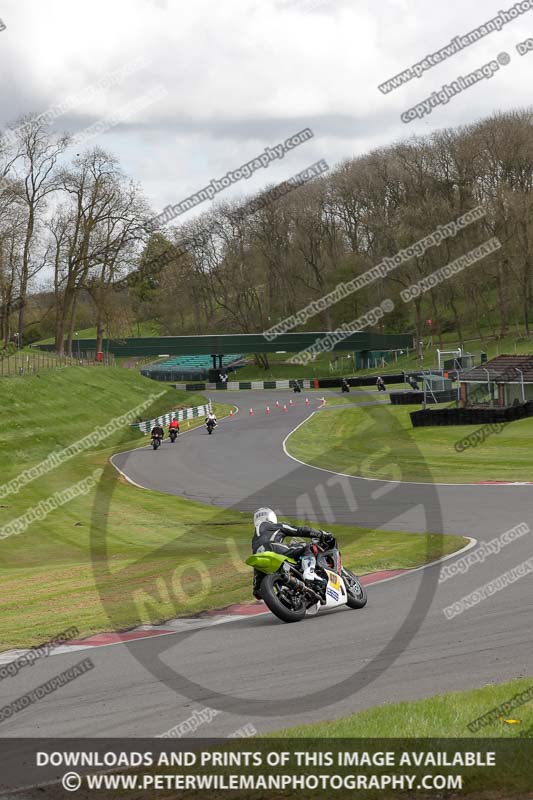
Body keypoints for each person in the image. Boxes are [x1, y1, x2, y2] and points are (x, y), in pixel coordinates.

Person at [251, 507, 333, 599]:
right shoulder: (275, 526)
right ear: (270, 517)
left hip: (260, 558)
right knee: (305, 546)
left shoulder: (255, 539)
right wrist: (321, 534)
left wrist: (257, 588)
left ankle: (291, 591)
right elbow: (299, 530)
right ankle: (309, 572)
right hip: (274, 549)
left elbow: (257, 570)